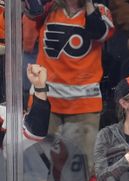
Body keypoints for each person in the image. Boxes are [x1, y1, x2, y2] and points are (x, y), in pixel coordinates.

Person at [26, 0, 115, 165]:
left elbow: (99, 32)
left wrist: (88, 3)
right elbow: (31, 13)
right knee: (41, 163)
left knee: (83, 165)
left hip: (83, 104)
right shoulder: (48, 7)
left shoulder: (101, 10)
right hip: (46, 99)